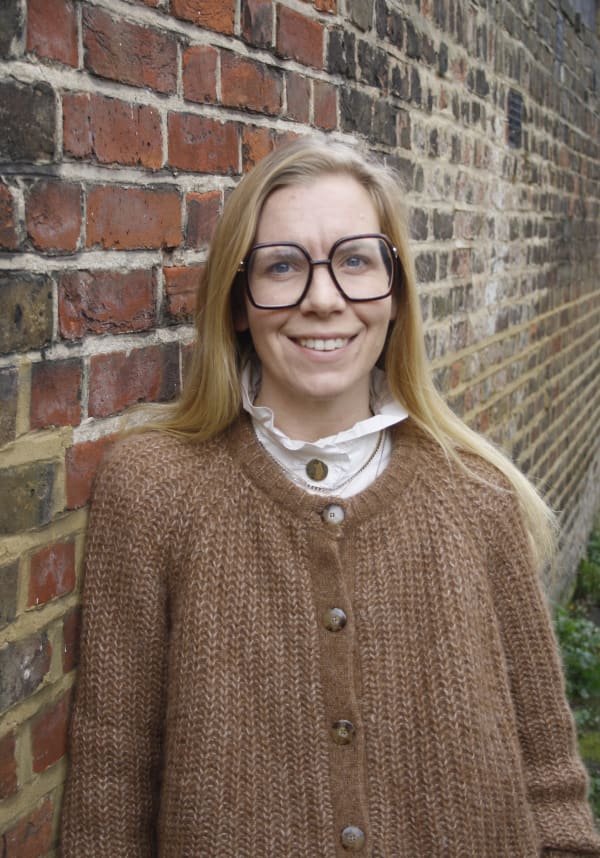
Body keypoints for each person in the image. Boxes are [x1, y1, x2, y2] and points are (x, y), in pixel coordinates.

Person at [61, 136, 600, 857]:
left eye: (355, 261)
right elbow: (112, 777)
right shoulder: (157, 489)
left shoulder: (477, 495)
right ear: (238, 303)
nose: (323, 299)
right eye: (282, 267)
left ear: (396, 294)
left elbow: (550, 783)